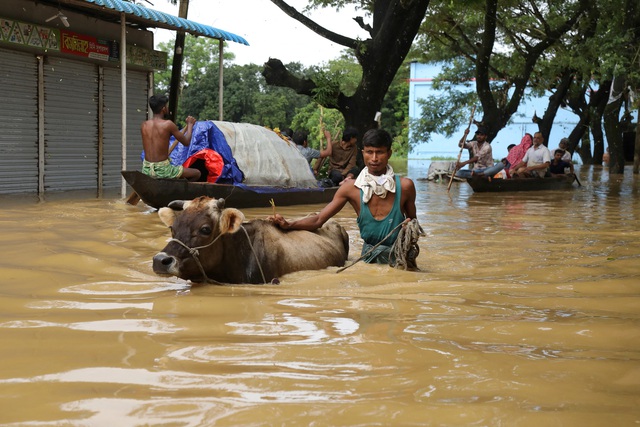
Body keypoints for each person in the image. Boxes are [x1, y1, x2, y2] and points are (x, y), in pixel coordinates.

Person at [269, 128, 417, 264]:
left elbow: (414, 225)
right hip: (368, 258)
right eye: (369, 152)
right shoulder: (350, 188)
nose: (374, 158)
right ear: (362, 153)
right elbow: (319, 220)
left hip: (400, 258)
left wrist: (408, 227)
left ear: (389, 154)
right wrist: (289, 224)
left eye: (379, 152)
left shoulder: (405, 187)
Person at [140, 95, 200, 181]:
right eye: (167, 106)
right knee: (197, 173)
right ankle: (182, 194)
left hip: (146, 169)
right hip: (163, 171)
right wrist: (190, 125)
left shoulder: (144, 125)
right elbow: (186, 142)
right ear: (163, 108)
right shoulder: (168, 124)